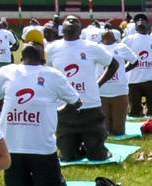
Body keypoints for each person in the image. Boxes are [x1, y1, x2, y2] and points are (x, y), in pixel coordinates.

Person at [0, 43, 79, 186]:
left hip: (12, 144)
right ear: (43, 60)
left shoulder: (5, 72)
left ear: (21, 58)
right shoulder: (53, 75)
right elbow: (76, 102)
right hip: (38, 145)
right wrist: (56, 112)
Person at [46, 19, 116, 162]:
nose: (71, 21)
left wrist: (98, 83)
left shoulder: (92, 47)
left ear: (80, 30)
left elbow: (113, 64)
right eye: (68, 19)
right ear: (61, 29)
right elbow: (43, 72)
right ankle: (75, 148)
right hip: (64, 109)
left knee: (97, 156)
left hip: (90, 107)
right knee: (67, 157)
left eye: (76, 20)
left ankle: (95, 148)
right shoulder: (51, 49)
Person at [124, 18, 152, 118]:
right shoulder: (128, 39)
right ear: (135, 25)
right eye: (138, 20)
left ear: (149, 25)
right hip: (133, 80)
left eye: (144, 20)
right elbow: (123, 57)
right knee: (134, 112)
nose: (141, 21)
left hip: (150, 79)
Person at [97, 30, 131, 136]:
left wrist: (123, 70)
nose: (107, 34)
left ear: (114, 37)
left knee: (118, 130)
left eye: (110, 34)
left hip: (119, 91)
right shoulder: (95, 48)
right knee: (104, 130)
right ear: (101, 38)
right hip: (101, 92)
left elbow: (135, 61)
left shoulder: (121, 47)